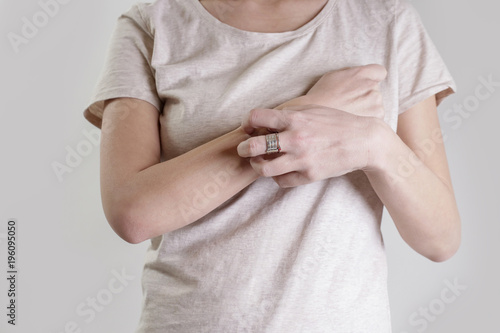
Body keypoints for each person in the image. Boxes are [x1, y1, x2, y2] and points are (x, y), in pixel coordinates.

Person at [83, 0, 461, 331]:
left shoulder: (389, 23)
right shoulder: (151, 26)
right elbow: (132, 213)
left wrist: (376, 145)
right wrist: (301, 116)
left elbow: (441, 238)